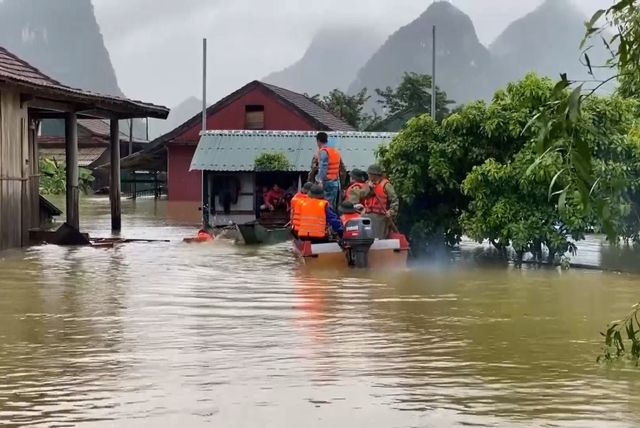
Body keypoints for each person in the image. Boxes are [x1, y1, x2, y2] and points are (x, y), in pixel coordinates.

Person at [364, 164, 399, 239]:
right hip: (367, 216)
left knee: (378, 239)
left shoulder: (386, 185)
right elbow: (363, 195)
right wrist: (369, 188)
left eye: (369, 174)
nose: (368, 176)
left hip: (380, 217)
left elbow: (394, 199)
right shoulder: (368, 184)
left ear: (375, 175)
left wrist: (391, 211)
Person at [314, 132, 341, 211]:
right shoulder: (334, 151)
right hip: (335, 181)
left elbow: (323, 167)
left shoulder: (324, 152)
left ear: (318, 141)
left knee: (326, 205)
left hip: (327, 182)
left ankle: (327, 222)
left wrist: (320, 181)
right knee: (332, 205)